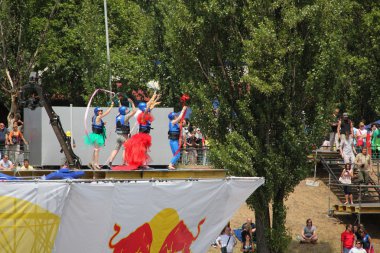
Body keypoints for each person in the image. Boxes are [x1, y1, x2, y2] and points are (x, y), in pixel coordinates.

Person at [85, 102, 114, 170]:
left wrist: (103, 123)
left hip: (96, 135)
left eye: (101, 111)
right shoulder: (98, 117)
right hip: (97, 136)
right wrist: (111, 106)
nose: (100, 112)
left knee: (96, 150)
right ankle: (96, 164)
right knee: (97, 150)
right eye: (99, 111)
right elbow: (107, 112)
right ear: (96, 112)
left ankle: (92, 162)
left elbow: (97, 123)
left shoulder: (95, 117)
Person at [107, 99, 136, 167]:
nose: (127, 110)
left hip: (118, 136)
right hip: (124, 136)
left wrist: (120, 103)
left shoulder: (118, 116)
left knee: (116, 149)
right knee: (125, 149)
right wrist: (132, 102)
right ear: (124, 111)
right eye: (126, 110)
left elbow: (120, 109)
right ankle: (124, 163)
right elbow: (134, 111)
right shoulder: (126, 117)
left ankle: (110, 161)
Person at [167, 106, 187, 170]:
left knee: (176, 155)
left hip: (174, 141)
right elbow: (180, 117)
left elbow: (183, 124)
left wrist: (184, 122)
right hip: (173, 141)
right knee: (177, 155)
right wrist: (183, 110)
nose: (176, 116)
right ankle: (170, 165)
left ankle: (172, 164)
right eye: (175, 115)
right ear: (173, 117)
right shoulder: (172, 122)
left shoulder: (176, 124)